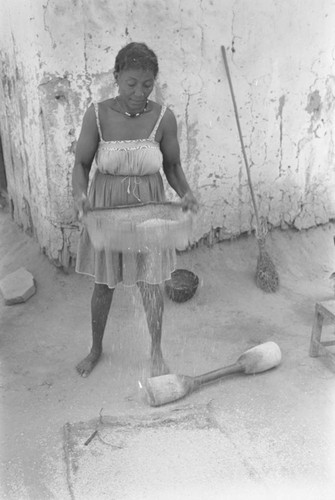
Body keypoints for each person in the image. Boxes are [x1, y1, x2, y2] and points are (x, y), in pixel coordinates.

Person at [72, 42, 198, 378]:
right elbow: (82, 164)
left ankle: (156, 353)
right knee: (104, 283)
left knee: (151, 282)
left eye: (147, 85)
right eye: (131, 84)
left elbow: (171, 166)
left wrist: (186, 193)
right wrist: (80, 196)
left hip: (148, 211)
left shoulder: (163, 118)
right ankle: (96, 347)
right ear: (116, 77)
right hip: (108, 211)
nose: (139, 92)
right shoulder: (97, 115)